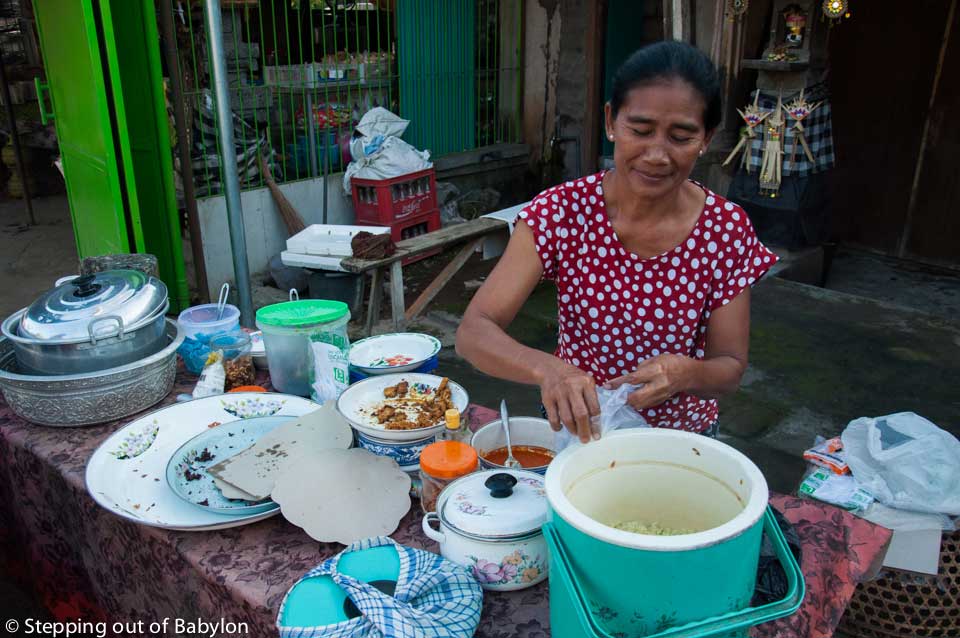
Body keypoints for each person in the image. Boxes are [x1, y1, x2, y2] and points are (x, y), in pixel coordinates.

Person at [455, 41, 777, 443]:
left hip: (682, 440)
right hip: (581, 429)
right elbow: (473, 332)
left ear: (706, 138)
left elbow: (729, 367)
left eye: (681, 137)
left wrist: (686, 374)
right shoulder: (562, 212)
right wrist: (550, 370)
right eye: (639, 130)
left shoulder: (725, 229)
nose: (657, 154)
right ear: (611, 121)